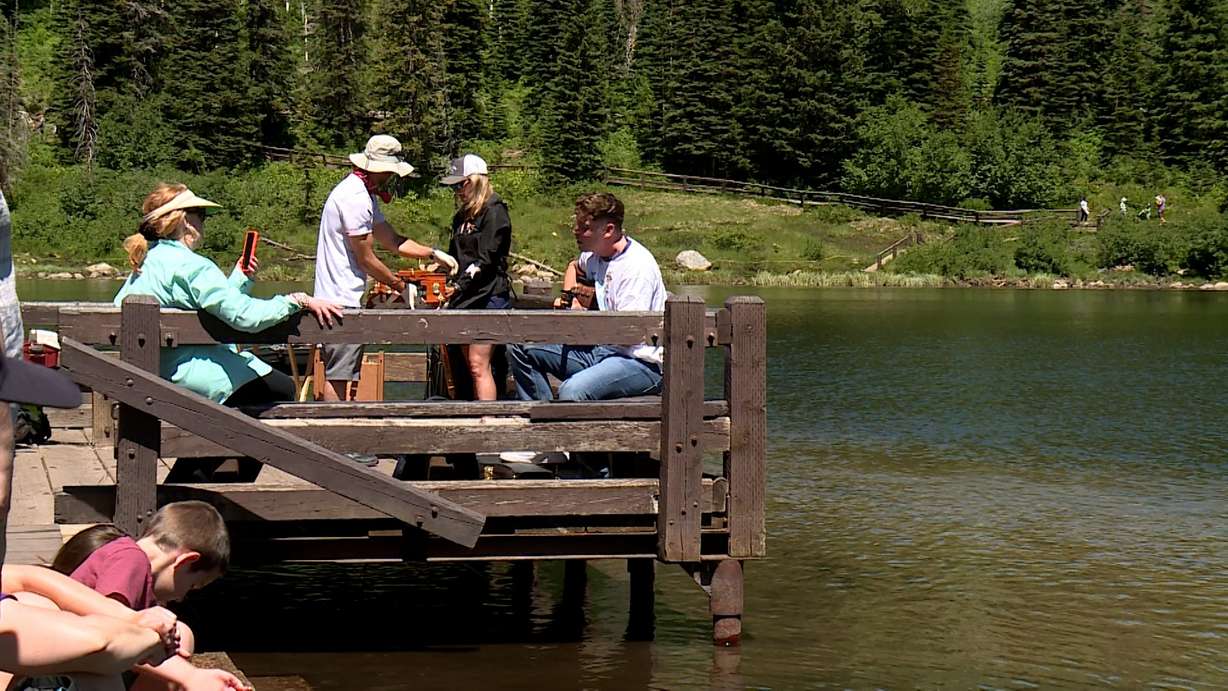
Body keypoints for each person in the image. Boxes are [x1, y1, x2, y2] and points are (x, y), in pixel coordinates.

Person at [0, 355, 246, 690]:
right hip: (54, 664)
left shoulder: (126, 556)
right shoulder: (130, 561)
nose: (184, 596)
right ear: (186, 560)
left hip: (56, 644)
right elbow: (108, 630)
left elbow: (30, 578)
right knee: (160, 648)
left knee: (177, 636)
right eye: (192, 586)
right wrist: (181, 669)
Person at [115, 183, 343, 407]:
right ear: (185, 220)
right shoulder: (193, 266)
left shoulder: (145, 263)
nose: (204, 223)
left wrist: (238, 279)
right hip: (195, 375)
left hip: (151, 375)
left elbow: (218, 305)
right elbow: (245, 316)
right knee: (283, 387)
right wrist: (296, 300)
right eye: (201, 215)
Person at [313, 135, 459, 402]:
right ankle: (333, 436)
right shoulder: (355, 198)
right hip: (339, 300)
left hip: (345, 298)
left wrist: (432, 253)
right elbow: (366, 259)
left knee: (347, 376)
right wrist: (402, 287)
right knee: (339, 377)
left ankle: (341, 432)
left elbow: (391, 239)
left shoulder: (363, 194)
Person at [508, 192, 666, 401]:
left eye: (585, 228)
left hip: (640, 362)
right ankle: (541, 418)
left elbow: (630, 333)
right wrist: (568, 297)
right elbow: (574, 266)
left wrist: (581, 319)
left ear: (608, 230)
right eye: (577, 225)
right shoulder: (595, 254)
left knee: (572, 390)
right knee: (520, 346)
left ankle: (561, 429)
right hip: (603, 352)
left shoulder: (636, 269)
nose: (576, 232)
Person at [440, 154, 512, 401]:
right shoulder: (461, 217)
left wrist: (459, 285)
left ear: (476, 181)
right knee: (465, 367)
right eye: (455, 187)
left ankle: (487, 418)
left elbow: (488, 258)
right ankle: (470, 411)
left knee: (477, 363)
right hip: (463, 298)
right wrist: (443, 276)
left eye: (461, 184)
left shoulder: (495, 211)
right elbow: (455, 257)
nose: (458, 191)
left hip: (488, 294)